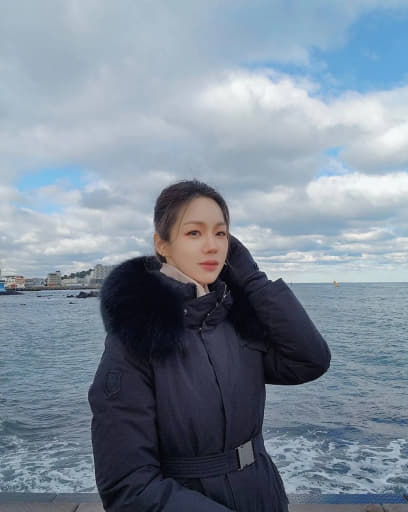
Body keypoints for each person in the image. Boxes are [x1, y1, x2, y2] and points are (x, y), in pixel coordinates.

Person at [88, 179, 331, 512]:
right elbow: (128, 486)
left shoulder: (236, 319)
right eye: (194, 233)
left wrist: (251, 278)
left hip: (264, 496)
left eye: (221, 233)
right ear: (162, 244)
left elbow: (310, 360)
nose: (212, 246)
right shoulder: (136, 337)